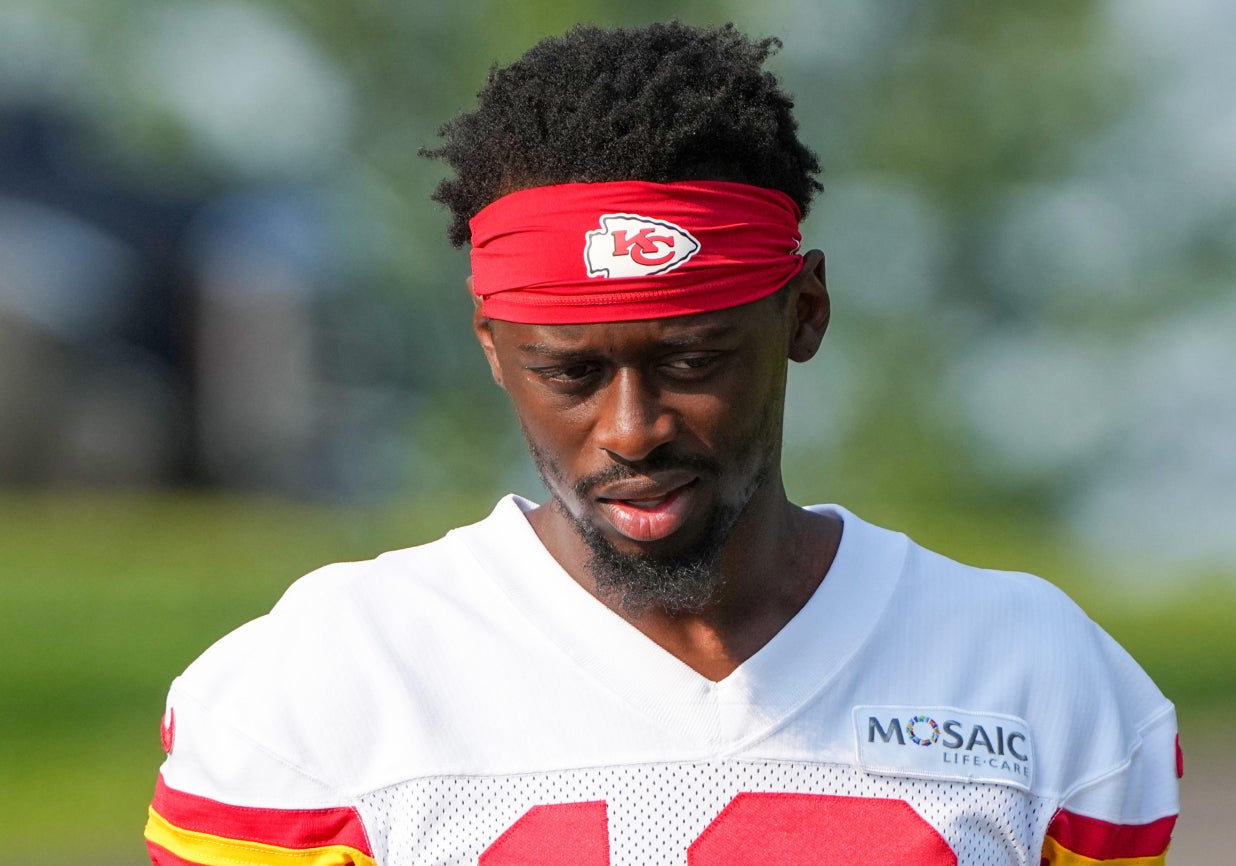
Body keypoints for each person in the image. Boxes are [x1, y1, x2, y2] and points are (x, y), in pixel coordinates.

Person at [143, 22, 1179, 866]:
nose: (631, 429)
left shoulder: (1034, 680)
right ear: (493, 349)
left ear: (804, 313)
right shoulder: (323, 686)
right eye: (571, 374)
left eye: (692, 361)